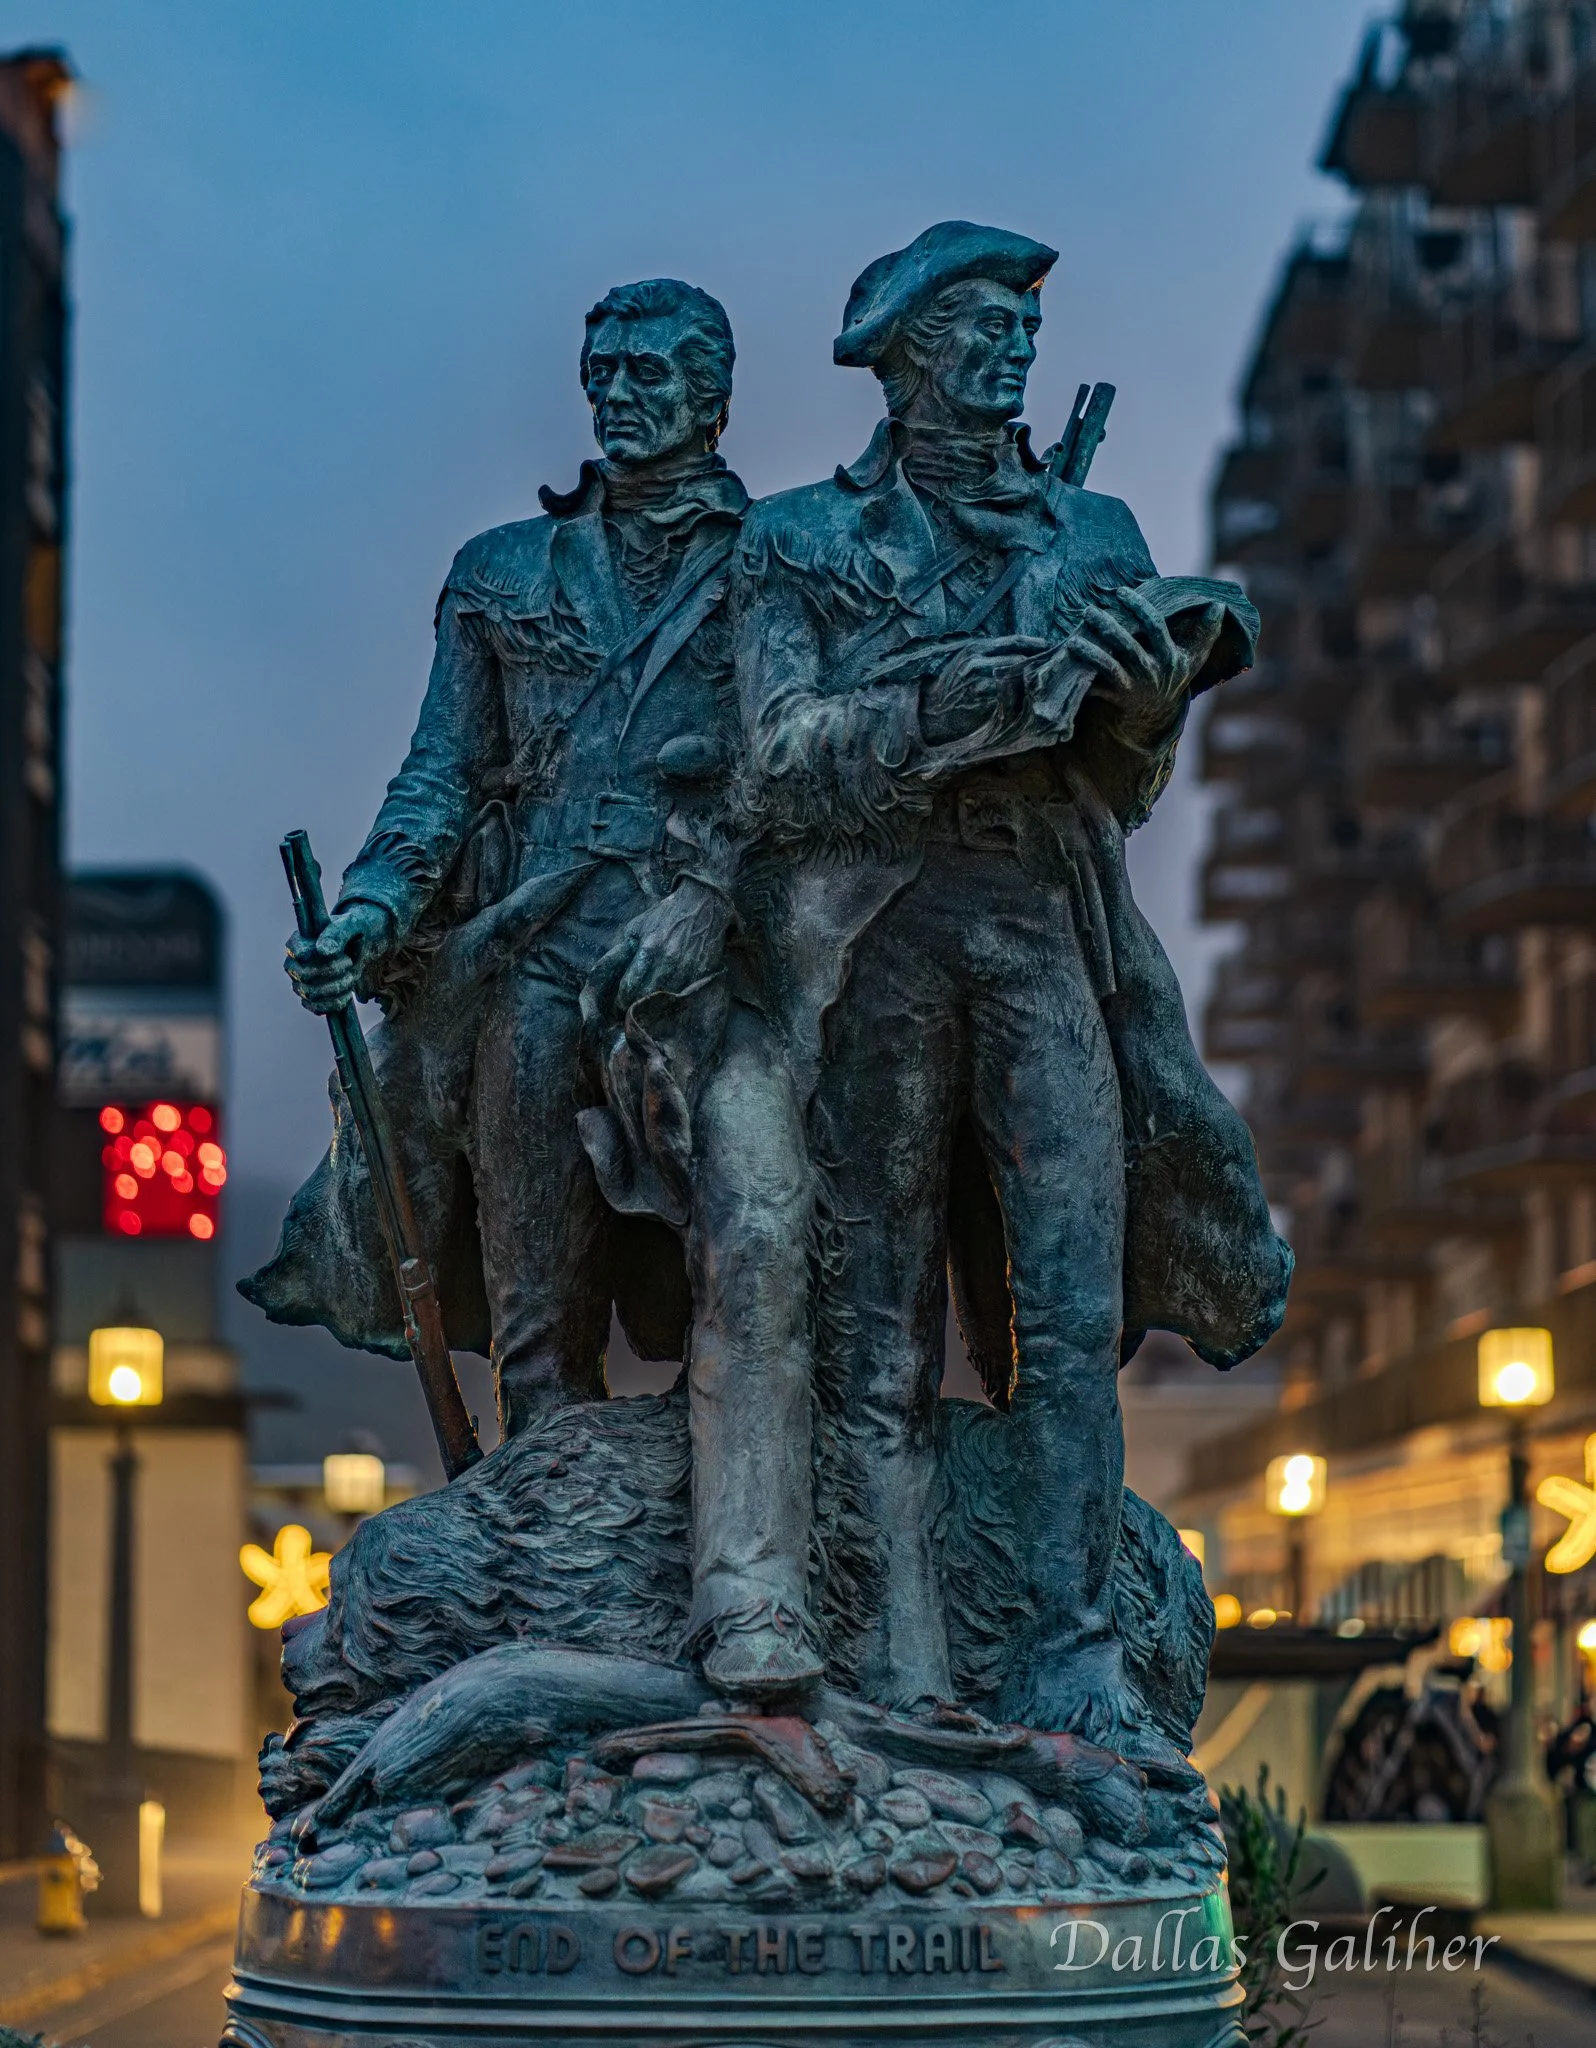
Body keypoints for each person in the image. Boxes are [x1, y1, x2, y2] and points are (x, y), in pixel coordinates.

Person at [725, 221, 1292, 1758]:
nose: (1015, 350)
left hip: (1045, 922)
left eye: (1024, 329)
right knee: (874, 1313)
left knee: (1072, 1300)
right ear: (904, 360)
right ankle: (892, 1654)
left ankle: (1073, 1648)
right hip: (878, 932)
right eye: (982, 327)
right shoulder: (797, 541)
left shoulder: (1092, 530)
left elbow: (1121, 794)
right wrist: (953, 704)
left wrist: (1145, 710)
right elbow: (772, 759)